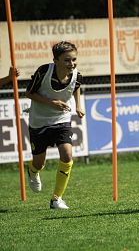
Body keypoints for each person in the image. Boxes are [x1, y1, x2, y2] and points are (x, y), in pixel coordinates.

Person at [25, 41, 85, 209]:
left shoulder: (77, 75)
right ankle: (32, 170)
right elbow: (29, 93)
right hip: (39, 121)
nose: (71, 64)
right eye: (66, 60)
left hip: (62, 119)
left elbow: (76, 87)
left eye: (73, 59)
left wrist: (78, 105)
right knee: (39, 163)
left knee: (67, 155)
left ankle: (56, 198)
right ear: (55, 60)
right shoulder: (44, 71)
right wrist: (52, 102)